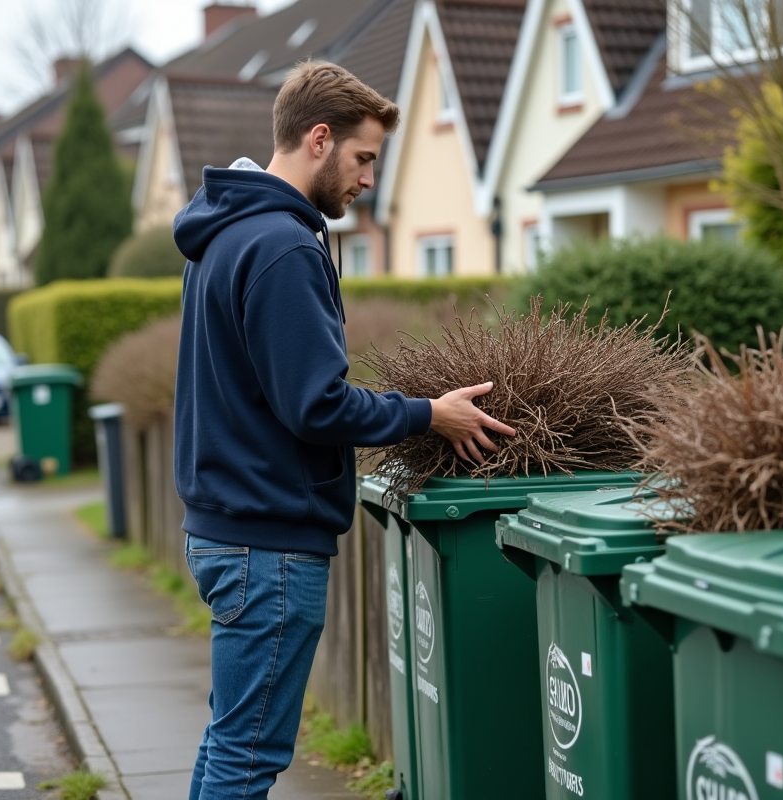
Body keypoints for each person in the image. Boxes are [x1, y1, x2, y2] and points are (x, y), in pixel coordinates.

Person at [171, 61, 516, 800]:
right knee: (248, 755)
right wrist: (430, 413)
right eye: (364, 159)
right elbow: (315, 406)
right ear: (320, 139)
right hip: (269, 542)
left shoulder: (225, 234)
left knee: (230, 740)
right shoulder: (283, 245)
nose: (367, 181)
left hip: (226, 527)